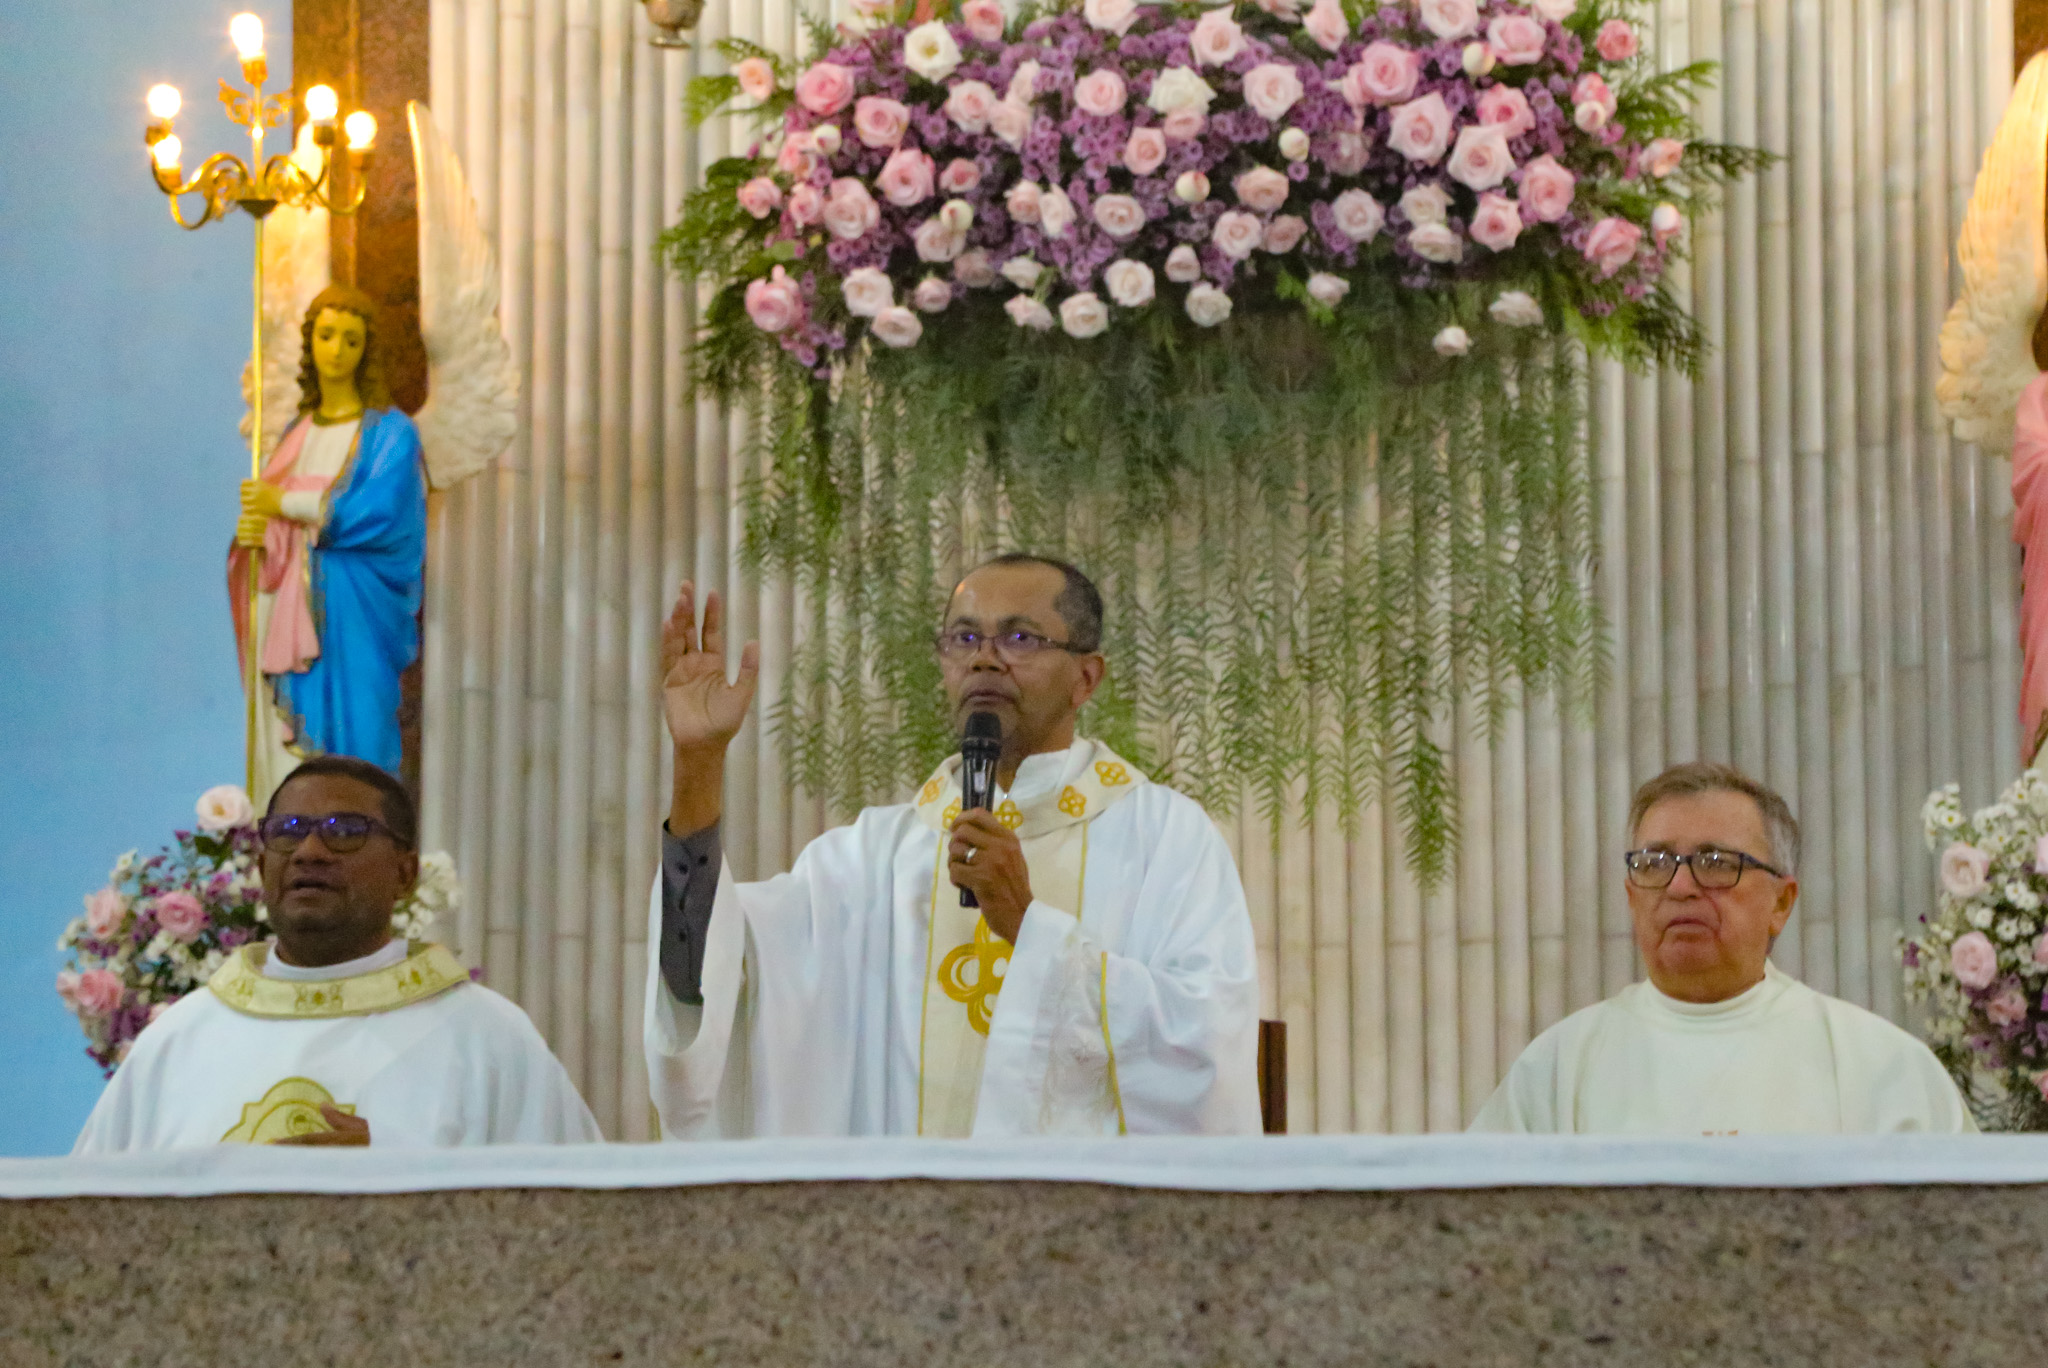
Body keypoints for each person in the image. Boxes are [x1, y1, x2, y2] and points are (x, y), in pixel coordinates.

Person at [644, 555, 1262, 1138]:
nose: (985, 661)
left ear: (1085, 678)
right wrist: (697, 765)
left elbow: (1204, 1049)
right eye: (964, 639)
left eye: (1020, 639)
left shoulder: (1167, 841)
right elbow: (710, 974)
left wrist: (1028, 928)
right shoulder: (872, 860)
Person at [75, 756, 600, 1151]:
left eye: (344, 831)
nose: (309, 851)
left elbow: (570, 1234)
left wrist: (395, 1183)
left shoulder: (489, 1042)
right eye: (288, 832)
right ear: (262, 868)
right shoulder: (175, 1044)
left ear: (405, 873)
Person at [1471, 761, 1974, 1134]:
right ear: (1631, 896)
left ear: (1782, 900)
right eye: (1654, 863)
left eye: (1714, 862)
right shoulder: (1557, 1069)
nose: (1680, 887)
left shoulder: (1881, 1069)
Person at [230, 284, 427, 807]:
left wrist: (285, 503)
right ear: (309, 342)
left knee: (361, 736)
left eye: (351, 340)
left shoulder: (391, 434)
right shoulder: (296, 432)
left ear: (368, 352)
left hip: (358, 612)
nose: (336, 349)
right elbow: (268, 533)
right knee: (290, 755)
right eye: (326, 335)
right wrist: (255, 539)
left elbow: (380, 514)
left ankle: (363, 839)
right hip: (291, 611)